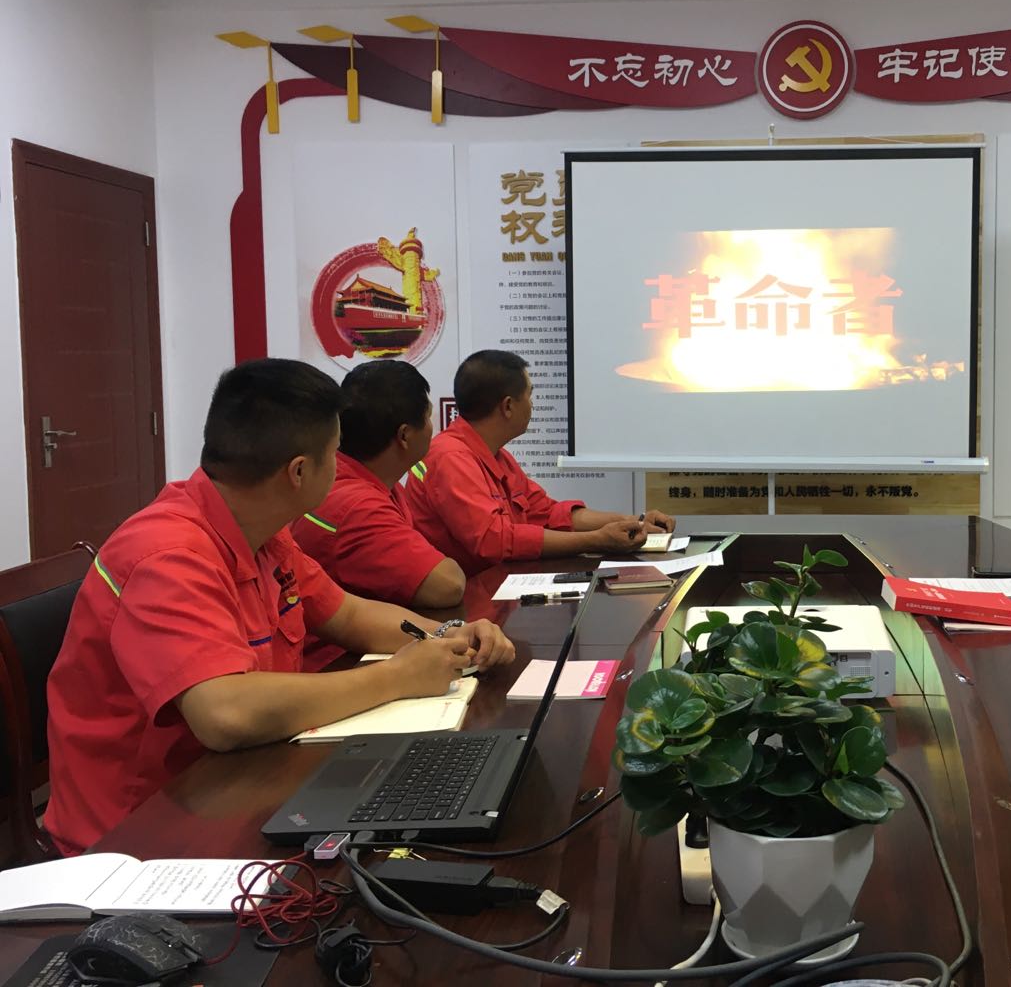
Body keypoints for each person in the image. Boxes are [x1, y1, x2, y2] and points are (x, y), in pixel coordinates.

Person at [44, 360, 516, 855]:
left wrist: (450, 636)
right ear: (299, 472)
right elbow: (225, 713)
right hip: (143, 836)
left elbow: (347, 614)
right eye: (335, 453)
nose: (341, 467)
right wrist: (397, 677)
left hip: (242, 780)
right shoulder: (167, 555)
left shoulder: (262, 533)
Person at [403, 350, 674, 573]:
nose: (532, 405)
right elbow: (494, 541)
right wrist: (596, 540)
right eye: (529, 395)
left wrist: (636, 522)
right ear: (508, 406)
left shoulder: (497, 456)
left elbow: (548, 513)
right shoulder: (451, 458)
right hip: (468, 601)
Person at [293, 360, 464, 608]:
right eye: (428, 417)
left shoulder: (367, 481)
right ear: (404, 435)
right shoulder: (358, 507)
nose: (432, 428)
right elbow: (447, 585)